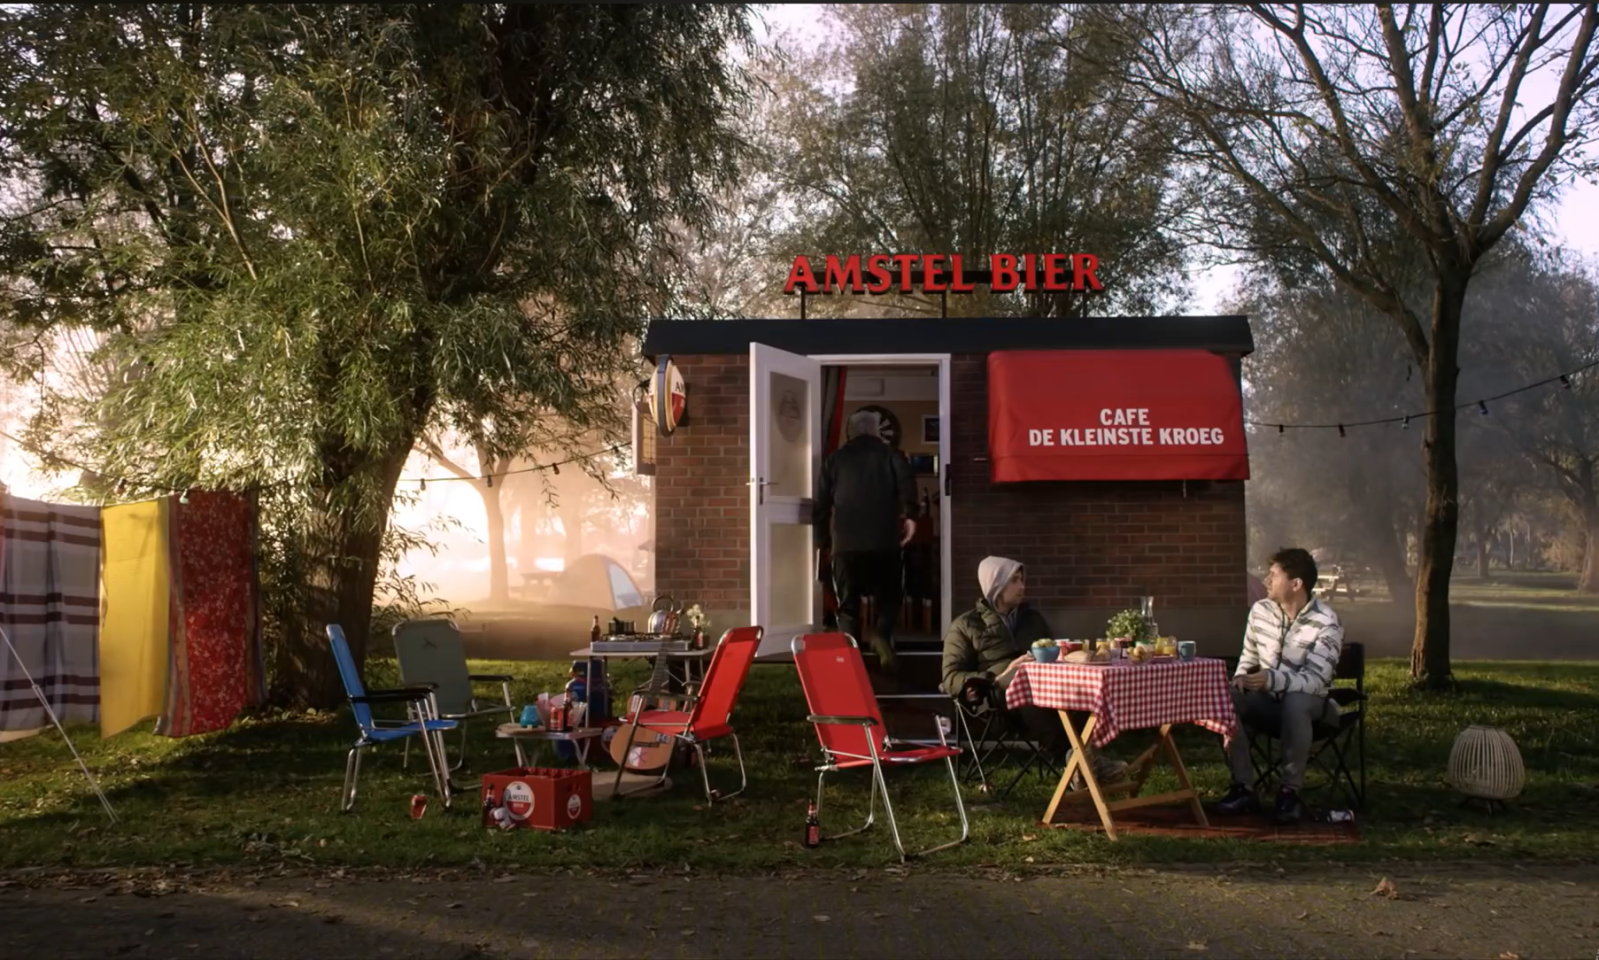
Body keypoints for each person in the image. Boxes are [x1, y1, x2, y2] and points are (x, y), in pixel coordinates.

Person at [941, 557, 1127, 786]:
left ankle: (1086, 762)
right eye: (1014, 581)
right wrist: (997, 678)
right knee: (1028, 687)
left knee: (1081, 693)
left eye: (1022, 580)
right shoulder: (966, 625)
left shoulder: (1033, 619)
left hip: (1045, 689)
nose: (1022, 586)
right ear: (996, 584)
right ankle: (1078, 762)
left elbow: (1055, 654)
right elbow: (950, 677)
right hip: (994, 701)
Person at [1215, 547, 1345, 825]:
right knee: (1226, 697)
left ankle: (1289, 793)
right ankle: (1242, 788)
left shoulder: (1327, 621)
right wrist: (1241, 677)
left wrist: (1272, 679)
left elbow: (1316, 680)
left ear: (1296, 584)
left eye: (1273, 575)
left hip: (1313, 707)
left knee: (1296, 701)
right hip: (1268, 703)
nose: (1266, 580)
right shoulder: (1260, 611)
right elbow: (1249, 655)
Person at [813, 409, 917, 675]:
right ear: (875, 430)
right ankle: (881, 635)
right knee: (890, 598)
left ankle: (850, 659)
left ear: (851, 432)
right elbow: (907, 484)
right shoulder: (892, 455)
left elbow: (821, 504)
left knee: (847, 605)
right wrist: (910, 516)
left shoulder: (835, 460)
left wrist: (821, 540)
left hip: (846, 544)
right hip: (884, 541)